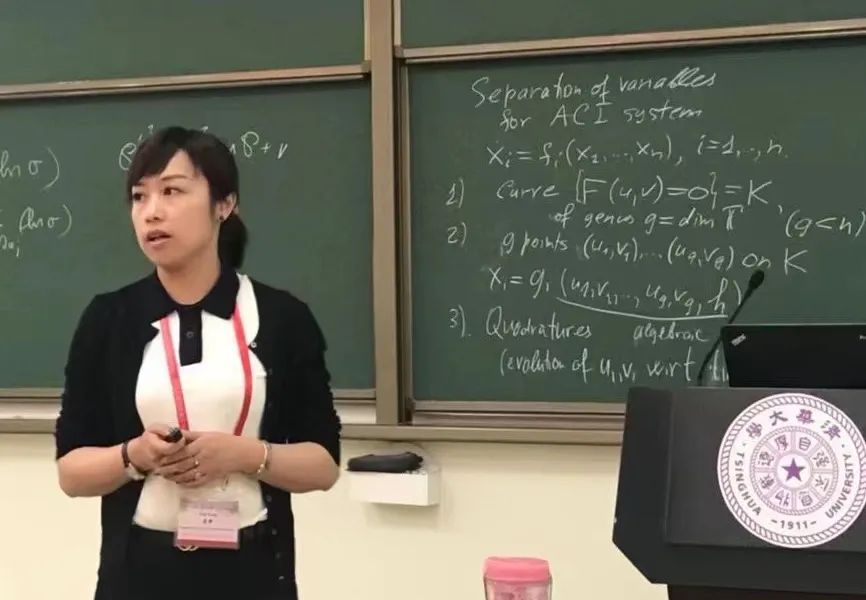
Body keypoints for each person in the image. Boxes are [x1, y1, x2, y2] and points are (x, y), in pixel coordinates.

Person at [54, 126, 341, 600]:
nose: (152, 212)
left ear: (224, 204)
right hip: (138, 573)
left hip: (253, 571)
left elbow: (324, 464)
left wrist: (245, 455)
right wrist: (135, 456)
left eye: (172, 191)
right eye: (139, 197)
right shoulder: (108, 319)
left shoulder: (281, 316)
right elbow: (71, 472)